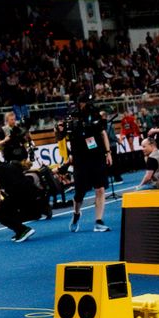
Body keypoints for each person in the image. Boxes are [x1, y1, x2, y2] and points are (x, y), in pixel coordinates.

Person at [62, 96, 112, 233]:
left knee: (100, 188)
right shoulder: (72, 116)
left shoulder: (95, 114)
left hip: (96, 155)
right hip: (80, 158)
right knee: (80, 193)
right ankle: (76, 214)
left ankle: (98, 221)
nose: (86, 104)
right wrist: (69, 155)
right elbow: (64, 138)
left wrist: (108, 152)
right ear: (79, 103)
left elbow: (103, 133)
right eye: (84, 102)